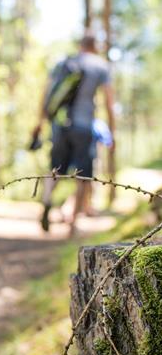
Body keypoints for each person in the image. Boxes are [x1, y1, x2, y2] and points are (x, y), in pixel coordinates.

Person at [32, 33, 116, 236]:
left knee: (55, 169)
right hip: (84, 126)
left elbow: (47, 93)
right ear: (95, 46)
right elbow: (109, 101)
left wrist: (40, 122)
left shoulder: (65, 62)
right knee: (83, 174)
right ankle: (73, 225)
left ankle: (46, 202)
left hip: (60, 125)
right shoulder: (100, 66)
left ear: (80, 45)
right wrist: (112, 131)